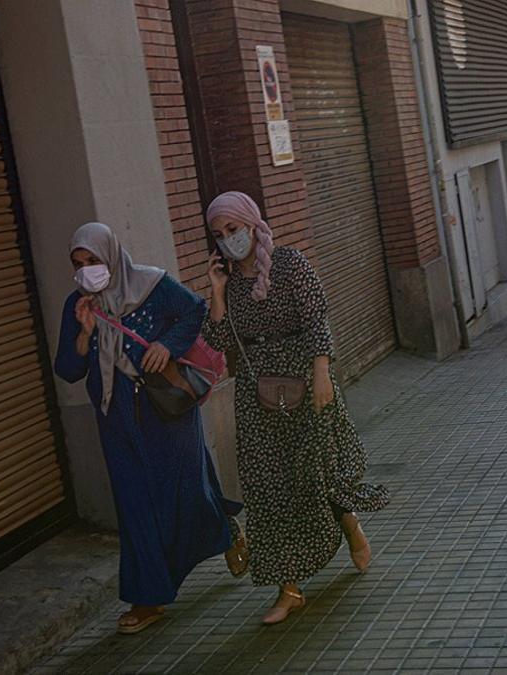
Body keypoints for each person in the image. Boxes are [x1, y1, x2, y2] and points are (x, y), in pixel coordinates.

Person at [201, 191, 389, 625]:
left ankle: (348, 522)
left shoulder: (289, 263)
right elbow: (216, 342)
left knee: (315, 475)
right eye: (219, 234)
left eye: (233, 229)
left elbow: (316, 319)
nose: (229, 239)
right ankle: (289, 587)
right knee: (269, 491)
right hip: (255, 396)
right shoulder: (228, 282)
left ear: (251, 223)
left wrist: (322, 372)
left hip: (306, 382)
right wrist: (215, 292)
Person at [54, 222, 247, 635]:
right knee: (135, 505)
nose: (88, 270)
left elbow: (195, 311)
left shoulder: (152, 285)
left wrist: (167, 345)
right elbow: (67, 371)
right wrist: (85, 335)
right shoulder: (78, 304)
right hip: (116, 419)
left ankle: (223, 532)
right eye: (79, 263)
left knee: (186, 490)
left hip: (166, 409)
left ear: (112, 255)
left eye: (94, 260)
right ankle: (149, 598)